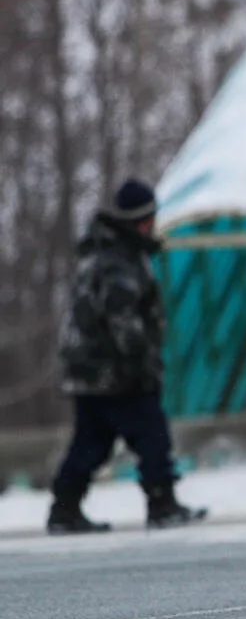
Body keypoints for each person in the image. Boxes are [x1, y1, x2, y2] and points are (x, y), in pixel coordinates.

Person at [47, 178, 208, 534]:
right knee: (151, 434)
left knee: (91, 442)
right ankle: (161, 503)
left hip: (90, 370)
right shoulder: (118, 258)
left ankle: (64, 509)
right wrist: (141, 364)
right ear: (143, 219)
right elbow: (121, 316)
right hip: (115, 371)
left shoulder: (104, 250)